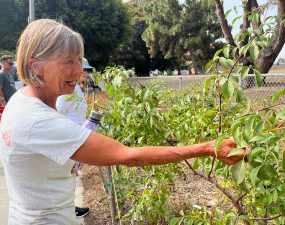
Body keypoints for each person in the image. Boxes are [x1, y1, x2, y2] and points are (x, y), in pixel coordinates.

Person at [0, 19, 248, 224]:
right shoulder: (38, 121)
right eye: (69, 62)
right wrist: (206, 148)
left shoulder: (21, 102)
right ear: (36, 66)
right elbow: (129, 155)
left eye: (79, 61)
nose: (79, 71)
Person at [56, 75, 90, 218]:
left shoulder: (76, 87)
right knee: (69, 173)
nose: (86, 74)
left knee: (72, 173)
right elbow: (59, 109)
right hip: (69, 138)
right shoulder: (68, 89)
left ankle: (69, 208)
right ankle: (68, 209)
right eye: (85, 71)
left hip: (75, 136)